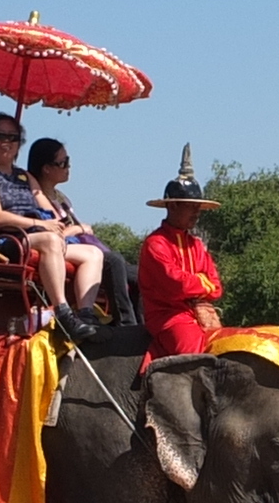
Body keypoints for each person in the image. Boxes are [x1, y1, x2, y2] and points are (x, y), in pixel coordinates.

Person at [0, 111, 104, 339]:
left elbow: (50, 211)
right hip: (1, 242)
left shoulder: (24, 176)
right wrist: (40, 225)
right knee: (49, 240)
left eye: (13, 138)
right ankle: (63, 312)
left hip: (34, 238)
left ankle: (85, 313)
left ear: (19, 144)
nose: (6, 142)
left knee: (93, 253)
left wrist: (64, 226)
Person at [25, 136, 137, 325]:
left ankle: (142, 323)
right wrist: (78, 229)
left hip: (75, 246)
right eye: (64, 163)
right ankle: (125, 323)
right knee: (114, 261)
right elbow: (52, 232)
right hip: (61, 246)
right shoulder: (36, 197)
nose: (69, 167)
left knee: (139, 276)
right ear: (46, 168)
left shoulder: (61, 198)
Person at [137, 144, 225, 360]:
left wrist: (199, 284)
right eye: (190, 205)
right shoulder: (155, 244)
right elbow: (177, 285)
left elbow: (217, 288)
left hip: (202, 315)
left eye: (198, 207)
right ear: (173, 205)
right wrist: (202, 282)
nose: (196, 212)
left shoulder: (195, 244)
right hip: (169, 317)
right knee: (193, 355)